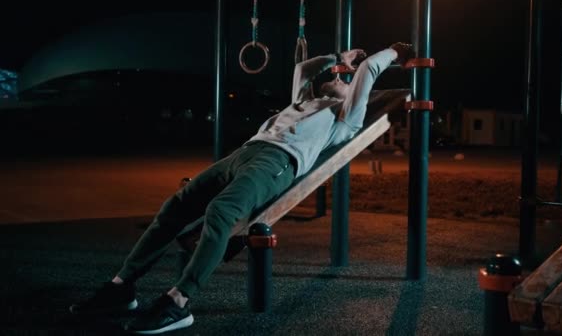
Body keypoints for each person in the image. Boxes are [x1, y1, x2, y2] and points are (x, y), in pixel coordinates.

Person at [70, 42, 414, 334]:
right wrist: (337, 58)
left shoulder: (347, 117)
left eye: (345, 80)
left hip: (279, 162)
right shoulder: (303, 100)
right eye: (339, 76)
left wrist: (395, 51)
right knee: (174, 207)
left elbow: (369, 69)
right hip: (244, 153)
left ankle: (179, 301)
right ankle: (121, 287)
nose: (341, 78)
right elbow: (303, 68)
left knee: (222, 212)